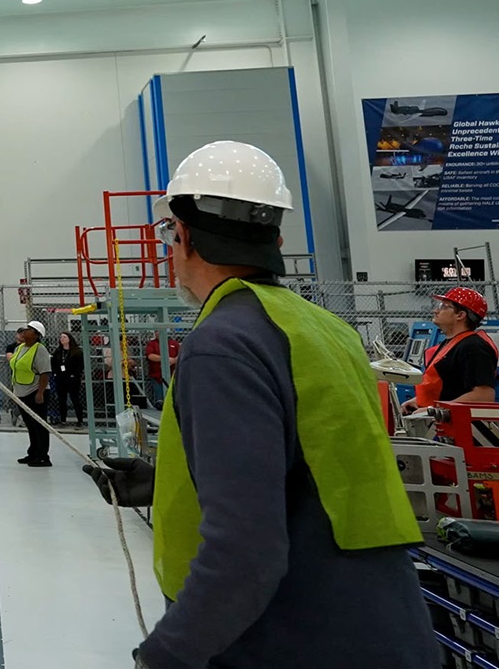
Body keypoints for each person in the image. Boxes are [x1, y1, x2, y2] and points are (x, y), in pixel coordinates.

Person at [134, 140, 434, 669]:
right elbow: (314, 467)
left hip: (292, 637)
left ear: (182, 236)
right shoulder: (323, 329)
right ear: (275, 236)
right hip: (382, 629)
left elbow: (245, 555)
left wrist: (167, 654)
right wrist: (157, 481)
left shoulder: (222, 343)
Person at [399, 286, 498, 414]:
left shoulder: (473, 347)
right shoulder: (450, 344)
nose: (436, 310)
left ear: (460, 315)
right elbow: (450, 387)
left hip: (464, 427)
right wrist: (419, 401)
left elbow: (484, 396)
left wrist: (433, 411)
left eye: (444, 306)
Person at [8, 321, 51, 466]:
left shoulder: (40, 349)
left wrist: (40, 393)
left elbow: (45, 373)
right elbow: (16, 369)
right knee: (30, 425)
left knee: (39, 426)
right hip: (21, 392)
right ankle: (33, 453)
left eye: (29, 329)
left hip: (35, 392)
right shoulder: (19, 348)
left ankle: (43, 456)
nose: (25, 331)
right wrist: (15, 393)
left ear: (36, 335)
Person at [50, 330, 85, 428]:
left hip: (73, 379)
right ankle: (63, 420)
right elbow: (54, 364)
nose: (62, 339)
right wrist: (56, 374)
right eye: (61, 337)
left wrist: (74, 374)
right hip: (61, 379)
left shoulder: (77, 352)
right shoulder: (58, 352)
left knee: (75, 399)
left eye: (64, 337)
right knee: (61, 400)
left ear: (69, 339)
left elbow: (80, 365)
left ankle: (80, 420)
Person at [144, 333, 180, 408]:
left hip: (173, 375)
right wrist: (165, 359)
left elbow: (181, 355)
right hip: (157, 375)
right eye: (156, 331)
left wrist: (173, 360)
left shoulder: (174, 343)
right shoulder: (152, 344)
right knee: (160, 400)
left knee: (172, 397)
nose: (157, 333)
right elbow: (150, 356)